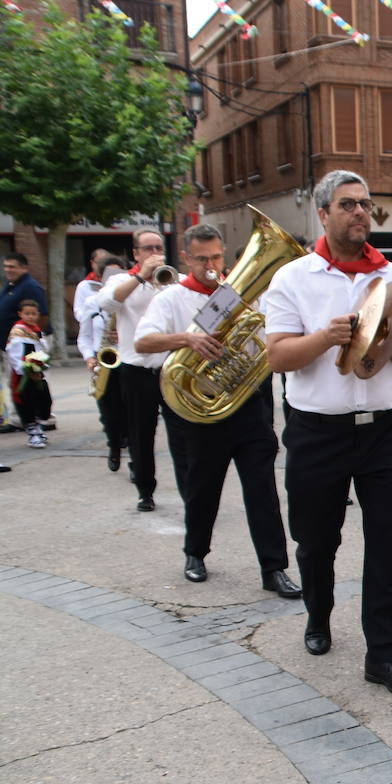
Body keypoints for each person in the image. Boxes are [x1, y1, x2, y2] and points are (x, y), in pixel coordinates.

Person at [262, 169, 392, 698]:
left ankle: (383, 656)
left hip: (387, 430)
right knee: (316, 539)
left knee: (387, 543)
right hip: (318, 432)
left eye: (365, 204)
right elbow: (277, 356)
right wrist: (327, 336)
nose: (360, 212)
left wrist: (383, 339)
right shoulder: (294, 278)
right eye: (348, 204)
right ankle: (318, 613)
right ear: (324, 214)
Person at [134, 224, 302, 599]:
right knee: (202, 488)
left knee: (262, 490)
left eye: (216, 257)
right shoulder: (171, 298)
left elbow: (267, 336)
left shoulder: (237, 294)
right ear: (186, 259)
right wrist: (187, 338)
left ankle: (274, 568)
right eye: (202, 258)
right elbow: (142, 341)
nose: (210, 265)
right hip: (200, 413)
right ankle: (195, 554)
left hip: (248, 407)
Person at [91, 229, 181, 511]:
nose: (155, 253)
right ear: (136, 253)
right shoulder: (121, 279)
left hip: (169, 369)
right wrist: (141, 276)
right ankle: (145, 490)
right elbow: (105, 303)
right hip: (137, 369)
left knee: (182, 433)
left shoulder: (172, 279)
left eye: (158, 247)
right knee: (141, 434)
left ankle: (190, 488)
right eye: (148, 248)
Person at [76, 255, 130, 472]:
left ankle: (135, 456)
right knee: (108, 411)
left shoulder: (130, 301)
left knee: (130, 412)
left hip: (128, 358)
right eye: (109, 274)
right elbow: (84, 336)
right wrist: (89, 357)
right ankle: (114, 446)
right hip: (103, 360)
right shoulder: (93, 302)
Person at [1, 253, 49, 433]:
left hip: (30, 345)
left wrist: (37, 338)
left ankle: (42, 418)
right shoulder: (11, 285)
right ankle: (20, 419)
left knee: (35, 383)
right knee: (14, 383)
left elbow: (41, 315)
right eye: (6, 266)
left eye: (12, 266)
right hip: (14, 344)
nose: (8, 270)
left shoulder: (30, 286)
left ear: (24, 268)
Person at [6, 301, 50, 448]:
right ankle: (32, 431)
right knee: (27, 402)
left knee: (42, 400)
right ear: (20, 314)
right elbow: (13, 355)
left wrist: (41, 367)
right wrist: (25, 370)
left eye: (34, 314)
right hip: (23, 375)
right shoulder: (18, 332)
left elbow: (42, 350)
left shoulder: (36, 330)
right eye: (27, 314)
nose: (31, 317)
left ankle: (38, 426)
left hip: (37, 373)